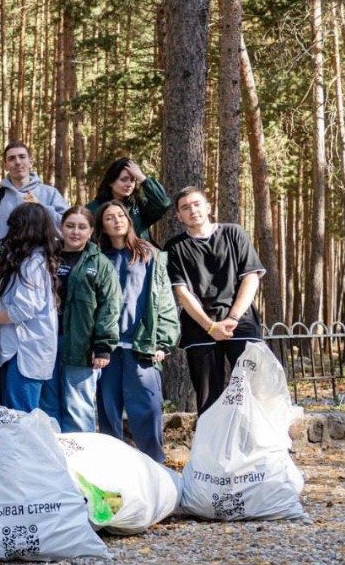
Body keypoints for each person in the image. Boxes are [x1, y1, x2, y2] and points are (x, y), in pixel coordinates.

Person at [164, 186, 265, 415]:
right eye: (185, 207)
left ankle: (254, 446)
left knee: (252, 390)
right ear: (179, 216)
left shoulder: (234, 233)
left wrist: (232, 318)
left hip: (241, 321)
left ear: (208, 207)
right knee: (209, 398)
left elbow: (251, 277)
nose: (192, 210)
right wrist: (210, 326)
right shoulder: (175, 247)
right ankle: (212, 449)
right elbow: (182, 293)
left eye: (197, 204)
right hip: (200, 326)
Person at [95, 200, 179, 463]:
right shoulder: (97, 257)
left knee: (148, 409)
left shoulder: (148, 255)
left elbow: (163, 298)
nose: (117, 220)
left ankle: (156, 469)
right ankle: (114, 472)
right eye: (109, 217)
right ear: (102, 226)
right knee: (108, 412)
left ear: (129, 221)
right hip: (106, 350)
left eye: (121, 215)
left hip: (141, 345)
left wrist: (163, 342)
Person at [0, 203, 61, 412]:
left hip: (25, 354)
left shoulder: (32, 264)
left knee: (21, 418)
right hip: (18, 350)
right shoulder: (29, 261)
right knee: (14, 415)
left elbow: (22, 310)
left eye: (15, 225)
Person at [44, 206, 121, 433]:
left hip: (82, 345)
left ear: (90, 231)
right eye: (70, 226)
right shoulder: (48, 257)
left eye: (81, 227)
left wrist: (103, 346)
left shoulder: (100, 263)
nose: (75, 232)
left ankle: (80, 465)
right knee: (48, 406)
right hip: (46, 343)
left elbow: (110, 306)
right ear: (61, 228)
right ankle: (52, 462)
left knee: (77, 407)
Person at [0, 141, 68, 240]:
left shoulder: (50, 193)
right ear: (5, 166)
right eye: (11, 158)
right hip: (4, 255)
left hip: (43, 254)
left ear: (31, 162)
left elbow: (68, 229)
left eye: (22, 157)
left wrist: (41, 208)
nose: (18, 162)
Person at [87, 157, 171, 243]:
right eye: (124, 180)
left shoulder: (139, 205)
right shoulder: (94, 209)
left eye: (133, 180)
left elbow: (163, 203)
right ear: (110, 182)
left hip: (142, 254)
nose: (129, 184)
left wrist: (142, 178)